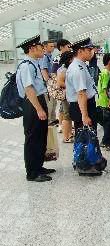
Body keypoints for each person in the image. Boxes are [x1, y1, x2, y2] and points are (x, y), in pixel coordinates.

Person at [15, 35, 54, 182]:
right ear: (31, 49)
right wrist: (38, 109)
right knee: (33, 138)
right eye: (40, 47)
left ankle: (39, 166)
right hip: (32, 103)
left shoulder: (34, 63)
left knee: (40, 136)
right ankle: (32, 173)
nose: (42, 49)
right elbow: (29, 89)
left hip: (38, 100)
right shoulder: (26, 65)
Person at [66, 38, 98, 131]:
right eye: (89, 50)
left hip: (84, 105)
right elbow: (81, 93)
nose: (92, 52)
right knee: (86, 140)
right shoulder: (77, 69)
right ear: (80, 51)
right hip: (82, 107)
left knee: (89, 138)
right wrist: (85, 115)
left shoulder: (82, 65)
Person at [97, 53, 110, 151]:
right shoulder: (106, 73)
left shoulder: (105, 72)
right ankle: (107, 143)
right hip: (106, 102)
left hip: (103, 102)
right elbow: (107, 89)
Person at [56, 50, 74, 143]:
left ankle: (69, 134)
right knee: (67, 116)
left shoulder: (63, 68)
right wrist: (73, 86)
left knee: (67, 115)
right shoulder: (63, 70)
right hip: (66, 96)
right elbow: (60, 83)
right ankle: (66, 137)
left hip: (67, 95)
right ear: (69, 59)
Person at [40, 40, 58, 125]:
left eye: (53, 46)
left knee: (53, 101)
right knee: (50, 102)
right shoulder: (44, 57)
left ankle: (53, 118)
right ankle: (49, 120)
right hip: (48, 84)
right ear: (45, 47)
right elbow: (44, 70)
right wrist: (49, 83)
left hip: (52, 82)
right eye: (51, 46)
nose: (53, 48)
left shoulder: (50, 56)